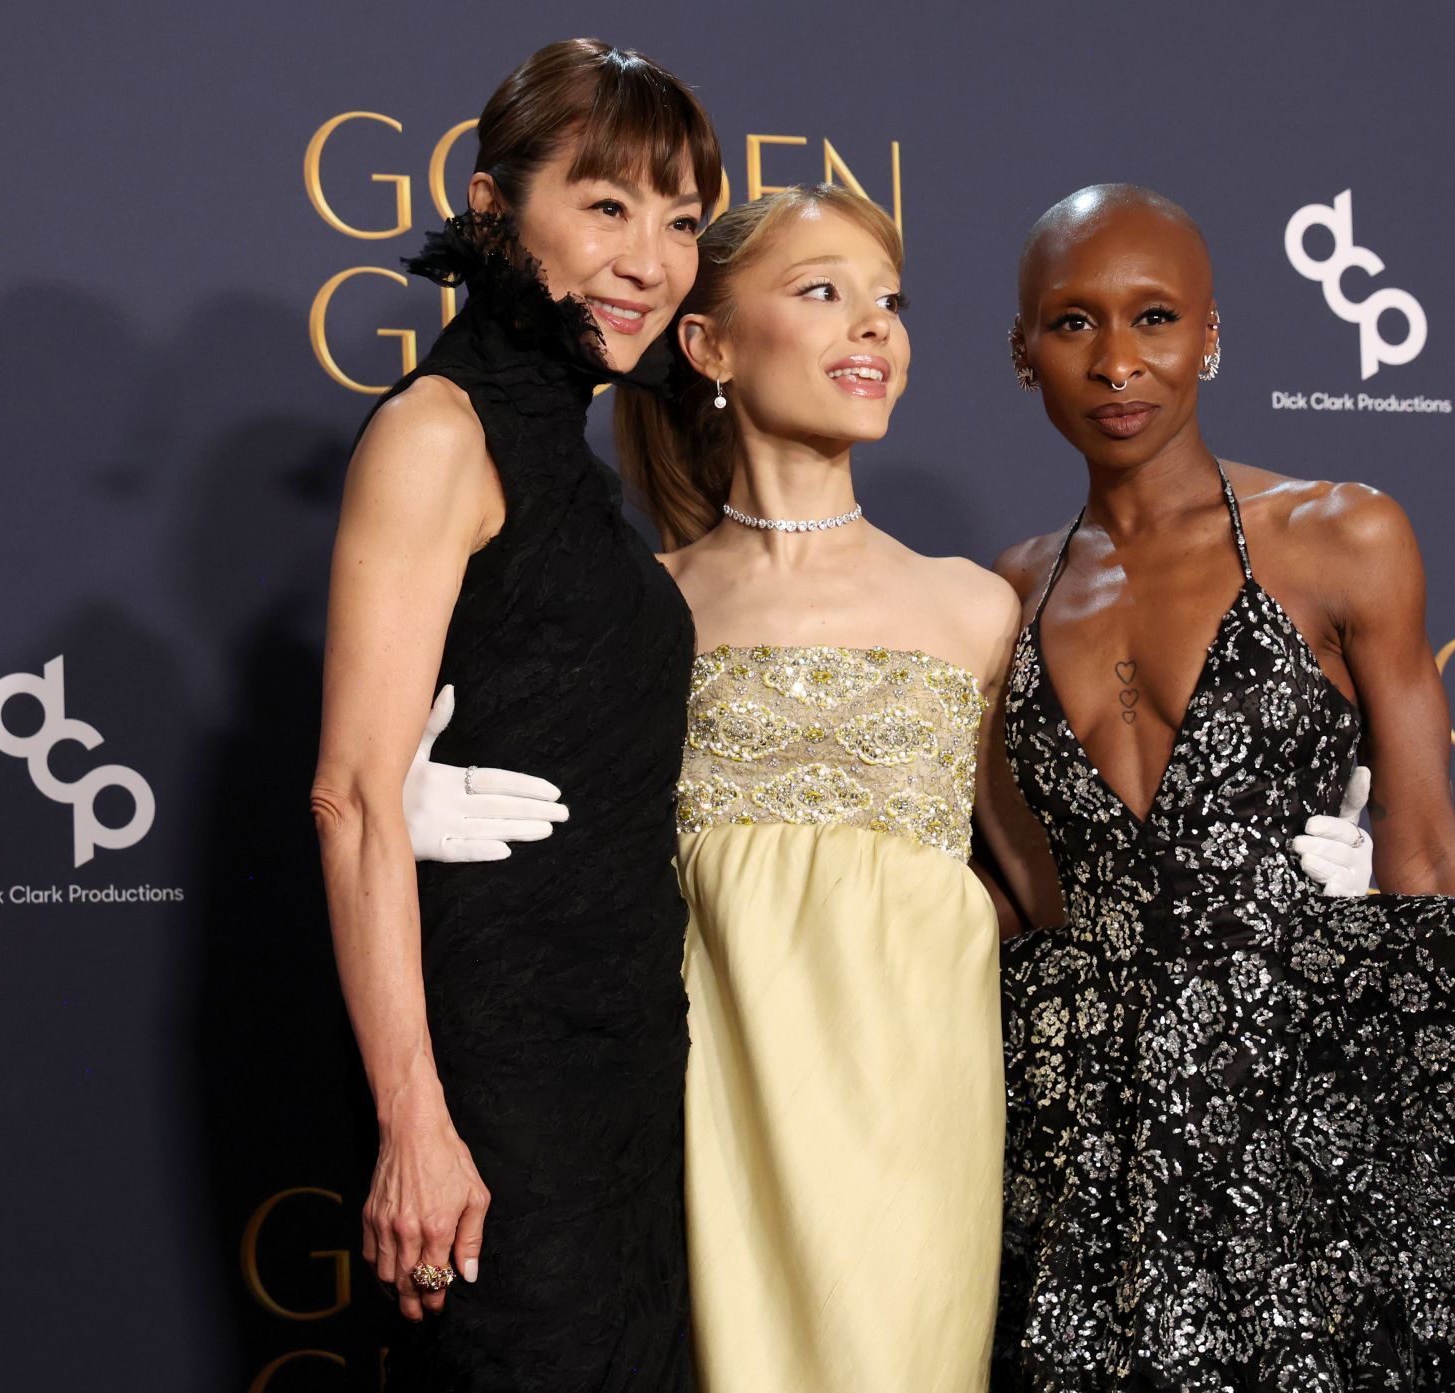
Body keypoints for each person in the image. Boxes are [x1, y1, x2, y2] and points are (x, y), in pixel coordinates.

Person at [400, 184, 1377, 1391]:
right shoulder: (644, 605)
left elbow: (1053, 897)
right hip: (695, 1097)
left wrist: (1297, 887)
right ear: (705, 345)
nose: (875, 329)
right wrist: (403, 819)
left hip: (917, 1106)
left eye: (891, 303)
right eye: (824, 294)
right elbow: (571, 871)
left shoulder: (975, 605)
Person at [986, 184, 1455, 1393]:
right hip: (1081, 1137)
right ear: (1022, 354)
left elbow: (1430, 863)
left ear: (1213, 336)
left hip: (1308, 1111)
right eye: (1073, 324)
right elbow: (1016, 897)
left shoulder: (1340, 535)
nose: (1118, 362)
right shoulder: (1001, 597)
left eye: (1157, 317)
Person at [309, 39, 720, 1390]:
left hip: (626, 1064)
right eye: (606, 207)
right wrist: (413, 1120)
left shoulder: (578, 461)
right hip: (496, 1081)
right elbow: (356, 795)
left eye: (680, 222)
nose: (649, 261)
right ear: (495, 207)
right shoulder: (440, 432)